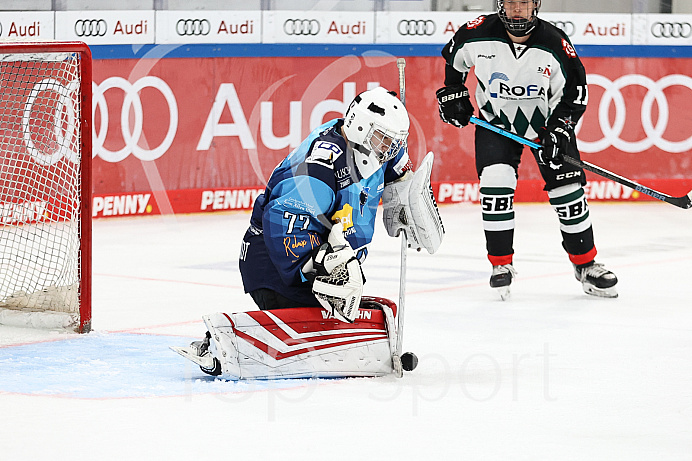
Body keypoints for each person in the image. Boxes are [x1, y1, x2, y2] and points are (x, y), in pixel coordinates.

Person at [173, 86, 444, 378]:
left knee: (350, 304)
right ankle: (222, 344)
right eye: (384, 139)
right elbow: (281, 222)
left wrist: (408, 198)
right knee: (328, 315)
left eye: (394, 141)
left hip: (327, 251)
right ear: (361, 127)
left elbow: (399, 170)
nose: (389, 148)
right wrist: (326, 264)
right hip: (275, 264)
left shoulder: (374, 149)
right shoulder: (321, 168)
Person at [435, 0, 618, 300]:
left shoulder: (554, 42)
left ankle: (586, 265)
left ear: (535, 5)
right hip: (497, 124)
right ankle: (500, 265)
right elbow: (454, 61)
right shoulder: (476, 33)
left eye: (523, 2)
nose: (517, 9)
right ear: (500, 5)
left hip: (546, 127)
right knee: (495, 186)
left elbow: (575, 93)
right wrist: (453, 92)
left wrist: (558, 130)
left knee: (568, 192)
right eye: (510, 2)